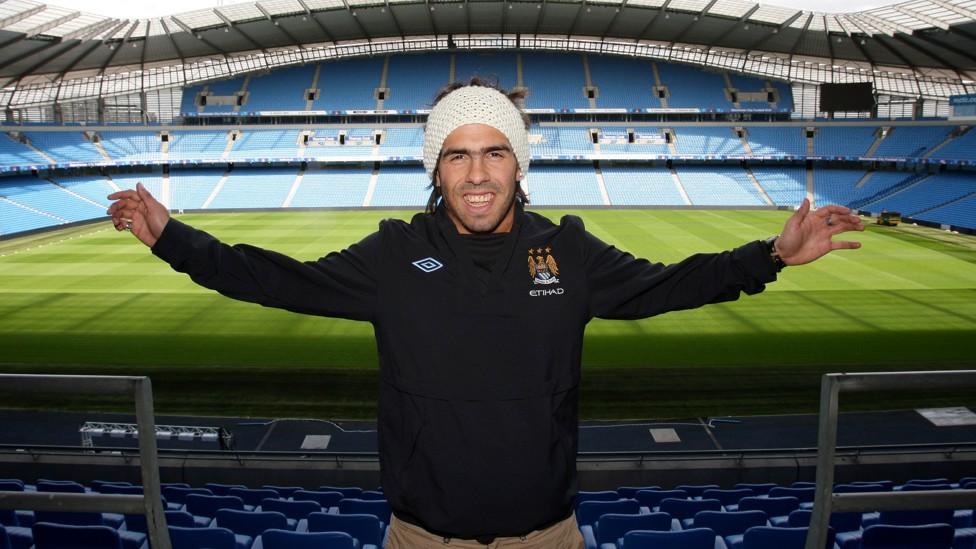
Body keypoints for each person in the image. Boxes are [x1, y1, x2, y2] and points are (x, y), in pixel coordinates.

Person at [108, 77, 863, 548]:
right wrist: (174, 238)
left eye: (495, 152)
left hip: (548, 536)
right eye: (458, 154)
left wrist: (768, 256)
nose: (477, 173)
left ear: (520, 164)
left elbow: (668, 283)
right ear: (436, 168)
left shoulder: (568, 250)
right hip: (418, 536)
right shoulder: (393, 253)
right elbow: (270, 278)